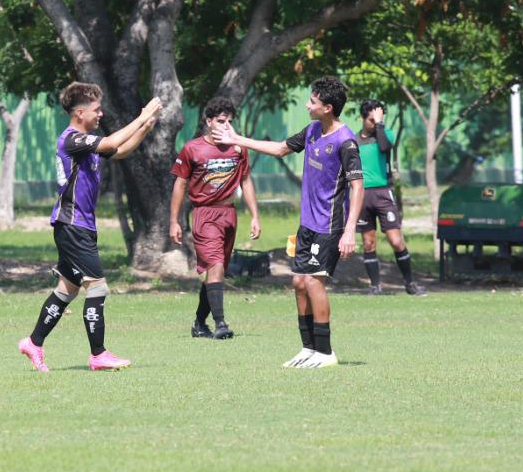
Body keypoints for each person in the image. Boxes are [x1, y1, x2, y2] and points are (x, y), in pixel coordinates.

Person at [212, 76, 364, 369]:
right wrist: (237, 139)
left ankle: (326, 351)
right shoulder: (312, 131)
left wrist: (349, 231)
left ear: (328, 108)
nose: (307, 105)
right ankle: (308, 348)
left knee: (313, 282)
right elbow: (280, 148)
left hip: (329, 226)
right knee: (298, 282)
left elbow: (358, 187)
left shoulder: (346, 141)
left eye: (313, 102)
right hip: (307, 224)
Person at [19, 83, 163, 372]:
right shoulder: (71, 139)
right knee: (98, 288)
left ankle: (33, 343)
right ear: (80, 112)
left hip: (77, 226)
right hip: (72, 225)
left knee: (67, 290)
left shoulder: (85, 142)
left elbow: (119, 150)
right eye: (96, 110)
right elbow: (110, 143)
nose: (101, 114)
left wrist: (145, 127)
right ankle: (98, 355)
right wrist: (141, 114)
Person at [168, 96, 260, 339]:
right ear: (209, 122)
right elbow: (180, 184)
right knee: (216, 266)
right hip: (205, 214)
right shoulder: (192, 149)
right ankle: (220, 324)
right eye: (221, 121)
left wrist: (254, 216)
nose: (226, 125)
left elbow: (246, 180)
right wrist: (174, 221)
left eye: (230, 121)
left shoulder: (238, 148)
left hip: (229, 214)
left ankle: (199, 323)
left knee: (214, 271)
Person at [355, 100, 425, 296]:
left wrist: (380, 125)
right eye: (371, 120)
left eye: (378, 119)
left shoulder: (385, 134)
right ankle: (375, 286)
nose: (374, 123)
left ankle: (410, 283)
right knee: (368, 242)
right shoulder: (354, 141)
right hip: (362, 195)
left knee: (395, 240)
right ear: (362, 118)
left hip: (383, 193)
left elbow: (385, 148)